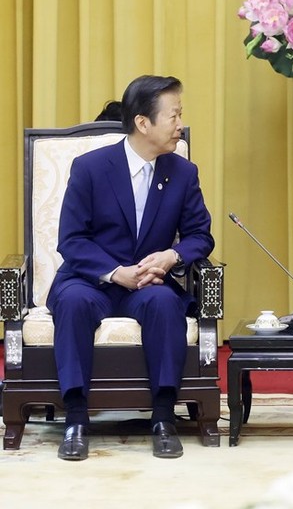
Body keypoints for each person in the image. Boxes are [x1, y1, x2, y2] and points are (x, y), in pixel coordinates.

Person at [48, 75, 215, 461]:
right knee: (72, 304)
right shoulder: (90, 168)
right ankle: (75, 418)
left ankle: (162, 417)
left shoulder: (182, 171)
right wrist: (114, 272)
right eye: (173, 116)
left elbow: (200, 236)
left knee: (164, 304)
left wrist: (171, 257)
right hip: (92, 281)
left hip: (149, 284)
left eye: (179, 115)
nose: (179, 125)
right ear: (143, 123)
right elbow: (71, 241)